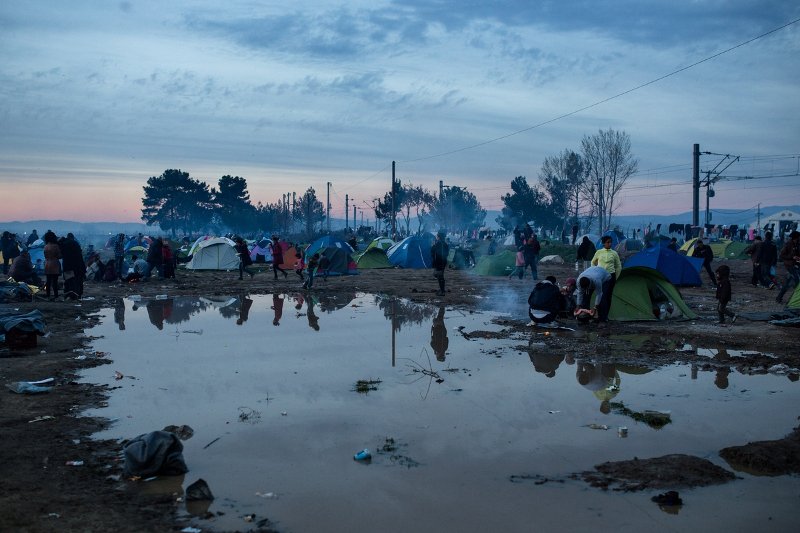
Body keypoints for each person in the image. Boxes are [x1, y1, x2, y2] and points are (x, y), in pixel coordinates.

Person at [776, 230, 800, 304]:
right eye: (798, 238)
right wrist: (792, 257)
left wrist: (797, 257)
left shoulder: (796, 244)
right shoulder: (788, 244)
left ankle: (780, 298)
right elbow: (781, 255)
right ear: (795, 238)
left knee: (789, 283)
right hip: (790, 266)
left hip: (796, 265)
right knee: (796, 282)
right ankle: (793, 300)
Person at [60, 233, 85, 300]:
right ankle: (76, 295)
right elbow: (79, 256)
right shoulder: (76, 244)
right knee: (76, 282)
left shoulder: (64, 244)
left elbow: (60, 254)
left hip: (67, 266)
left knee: (68, 281)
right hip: (76, 267)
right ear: (72, 237)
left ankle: (68, 295)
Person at [43, 230, 61, 300]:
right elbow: (59, 256)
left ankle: (48, 295)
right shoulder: (55, 246)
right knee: (55, 281)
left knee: (48, 281)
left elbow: (45, 256)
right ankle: (56, 296)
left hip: (47, 264)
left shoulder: (46, 246)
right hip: (55, 264)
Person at [431, 230, 449, 296]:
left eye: (437, 235)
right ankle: (442, 289)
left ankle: (442, 291)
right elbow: (447, 253)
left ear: (439, 237)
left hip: (439, 261)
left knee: (439, 276)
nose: (436, 236)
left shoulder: (439, 243)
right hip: (443, 261)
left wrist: (433, 246)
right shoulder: (445, 244)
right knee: (439, 275)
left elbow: (433, 252)